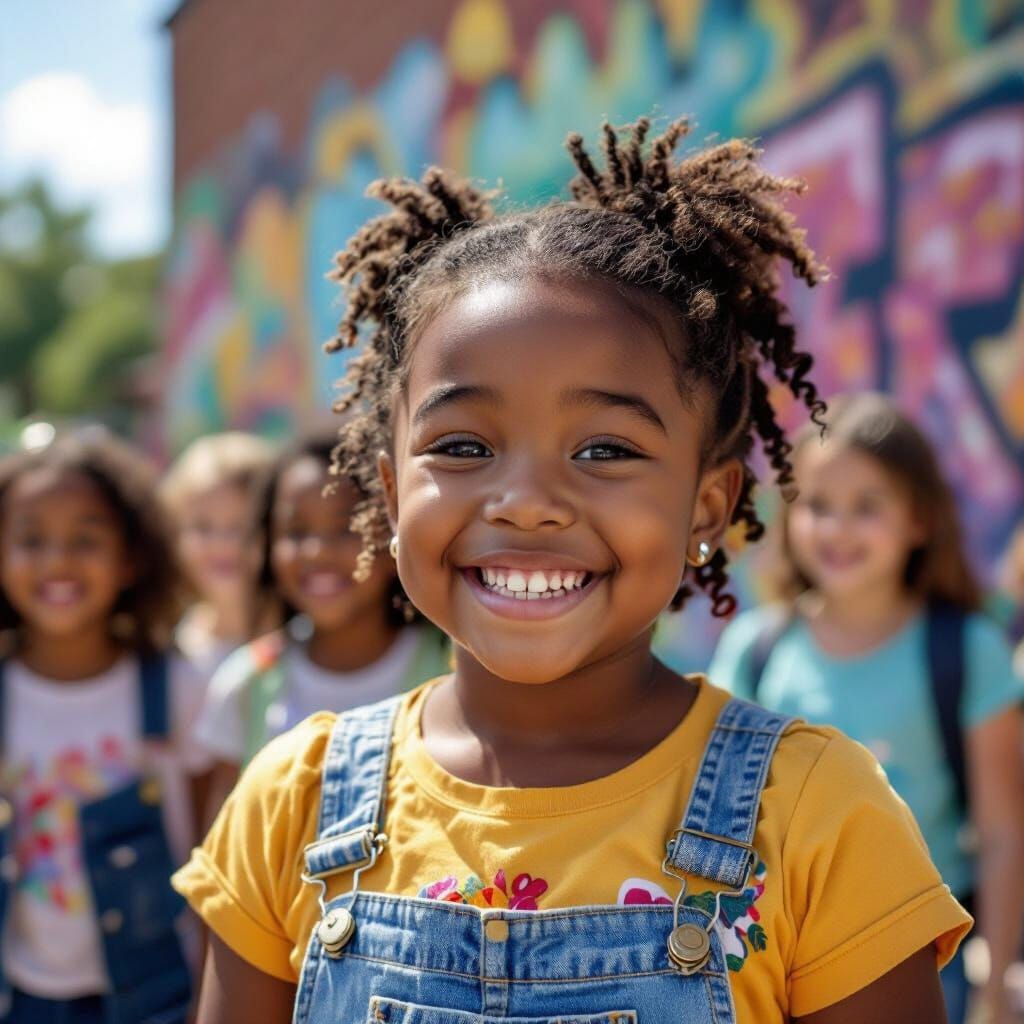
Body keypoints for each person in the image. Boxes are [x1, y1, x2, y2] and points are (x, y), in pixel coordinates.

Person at [175, 119, 970, 1024]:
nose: (526, 500)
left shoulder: (816, 813)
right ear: (392, 494)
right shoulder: (294, 802)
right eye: (465, 445)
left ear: (706, 506)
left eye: (605, 448)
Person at [709, 392, 1024, 1024]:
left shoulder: (969, 649)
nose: (837, 529)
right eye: (817, 506)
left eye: (867, 507)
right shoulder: (756, 651)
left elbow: (1001, 833)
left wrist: (992, 993)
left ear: (919, 521)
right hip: (777, 957)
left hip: (927, 960)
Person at [0, 428, 211, 1023]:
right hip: (22, 999)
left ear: (130, 557)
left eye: (85, 539)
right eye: (30, 539)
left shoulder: (178, 689)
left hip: (160, 999)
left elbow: (207, 849)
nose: (58, 560)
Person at [192, 429, 448, 819]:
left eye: (345, 528)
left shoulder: (454, 669)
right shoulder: (247, 685)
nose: (317, 551)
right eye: (296, 532)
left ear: (394, 526)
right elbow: (221, 857)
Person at [160, 431, 278, 684]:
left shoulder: (300, 644)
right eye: (203, 527)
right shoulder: (173, 651)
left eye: (241, 527)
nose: (223, 543)